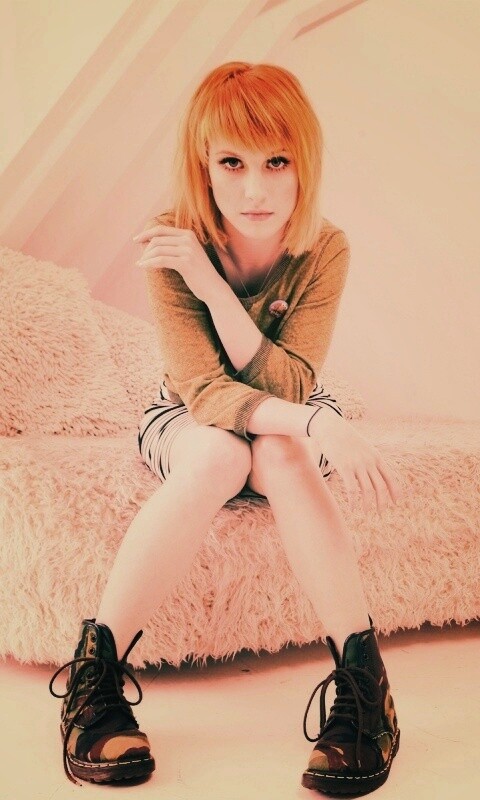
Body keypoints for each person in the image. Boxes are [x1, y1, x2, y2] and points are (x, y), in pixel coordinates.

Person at [48, 61, 403, 794]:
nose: (255, 190)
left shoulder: (325, 248)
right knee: (216, 456)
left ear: (304, 162)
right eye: (232, 163)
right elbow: (204, 391)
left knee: (281, 454)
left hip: (285, 411)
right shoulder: (172, 241)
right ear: (202, 166)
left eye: (277, 162)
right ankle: (94, 679)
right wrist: (208, 284)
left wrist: (305, 416)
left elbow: (289, 385)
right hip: (186, 412)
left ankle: (366, 691)